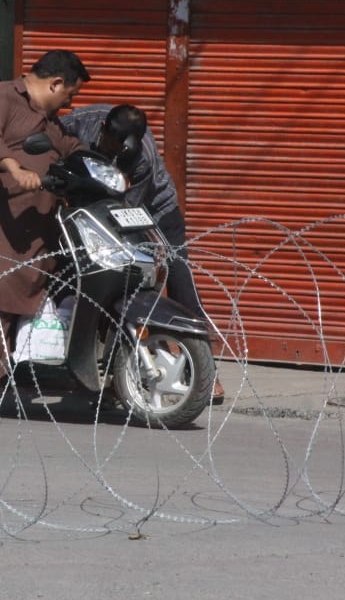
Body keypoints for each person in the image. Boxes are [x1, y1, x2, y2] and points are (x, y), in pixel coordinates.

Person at [59, 103, 224, 403]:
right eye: (113, 144)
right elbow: (54, 139)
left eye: (125, 149)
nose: (118, 152)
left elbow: (124, 205)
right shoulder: (83, 121)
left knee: (180, 283)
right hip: (87, 211)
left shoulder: (142, 156)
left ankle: (206, 372)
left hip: (151, 213)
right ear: (104, 129)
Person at [0, 50, 88, 423]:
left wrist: (103, 167)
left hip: (39, 227)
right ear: (55, 83)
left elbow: (71, 149)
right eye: (69, 95)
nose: (69, 103)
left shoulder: (50, 123)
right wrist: (14, 167)